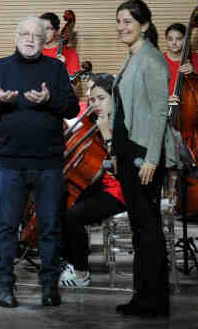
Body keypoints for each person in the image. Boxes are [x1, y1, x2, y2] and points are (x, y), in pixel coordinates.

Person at [0, 16, 79, 308]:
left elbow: (71, 107)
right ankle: (5, 286)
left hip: (49, 162)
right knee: (6, 228)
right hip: (11, 163)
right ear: (16, 37)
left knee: (49, 228)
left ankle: (49, 286)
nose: (30, 39)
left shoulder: (56, 68)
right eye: (24, 33)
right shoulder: (0, 68)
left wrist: (49, 101)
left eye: (36, 35)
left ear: (44, 39)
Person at [112, 0, 177, 318]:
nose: (122, 27)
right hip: (128, 152)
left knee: (148, 228)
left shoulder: (151, 59)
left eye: (128, 21)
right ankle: (143, 296)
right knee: (140, 228)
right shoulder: (133, 57)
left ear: (145, 25)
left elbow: (159, 114)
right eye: (119, 21)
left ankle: (155, 299)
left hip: (143, 154)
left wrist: (152, 157)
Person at [59, 73, 126, 289]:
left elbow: (121, 171)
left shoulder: (124, 125)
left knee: (74, 216)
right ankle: (68, 258)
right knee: (58, 200)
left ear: (115, 98)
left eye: (102, 98)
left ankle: (80, 272)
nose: (96, 104)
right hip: (99, 186)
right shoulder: (95, 123)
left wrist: (107, 135)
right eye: (93, 99)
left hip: (120, 192)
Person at [164, 23, 198, 96]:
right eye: (170, 39)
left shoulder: (195, 58)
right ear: (166, 40)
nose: (174, 43)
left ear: (186, 40)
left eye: (179, 39)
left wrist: (194, 72)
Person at [40, 12, 83, 77]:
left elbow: (75, 85)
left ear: (56, 30)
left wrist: (63, 68)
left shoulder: (70, 53)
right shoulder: (34, 52)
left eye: (48, 28)